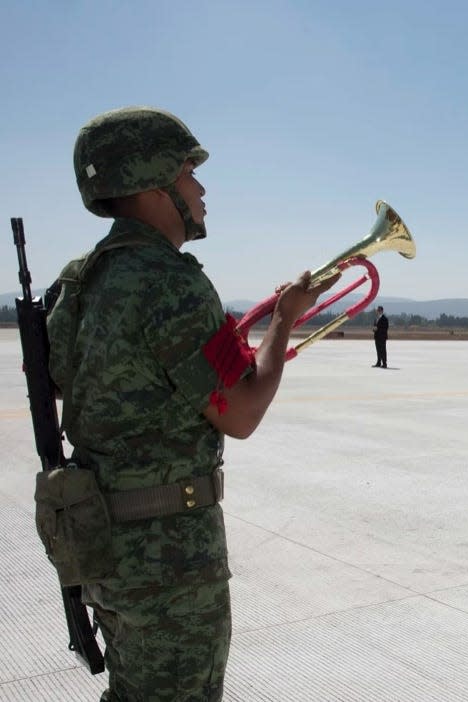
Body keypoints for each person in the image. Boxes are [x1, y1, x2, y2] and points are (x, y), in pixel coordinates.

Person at [45, 106, 338, 701]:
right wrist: (284, 321)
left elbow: (66, 380)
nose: (200, 188)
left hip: (102, 545)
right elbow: (242, 412)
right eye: (187, 172)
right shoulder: (168, 280)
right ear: (153, 181)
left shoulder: (80, 281)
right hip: (169, 560)